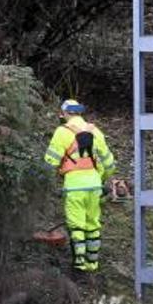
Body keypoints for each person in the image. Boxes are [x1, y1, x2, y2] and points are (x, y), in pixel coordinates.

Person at [43, 99, 116, 273]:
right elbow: (109, 164)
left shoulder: (62, 132)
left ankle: (79, 264)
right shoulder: (96, 131)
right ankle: (93, 263)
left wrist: (48, 183)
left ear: (65, 114)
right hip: (94, 185)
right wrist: (101, 180)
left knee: (77, 226)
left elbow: (50, 161)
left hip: (74, 185)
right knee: (93, 224)